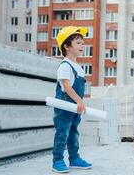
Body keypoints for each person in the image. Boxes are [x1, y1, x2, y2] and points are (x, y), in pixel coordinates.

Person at [52, 26, 92, 173]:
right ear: (67, 46)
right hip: (65, 106)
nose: (83, 45)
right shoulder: (65, 66)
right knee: (62, 133)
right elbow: (67, 87)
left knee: (74, 132)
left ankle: (74, 158)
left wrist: (80, 102)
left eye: (83, 42)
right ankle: (57, 160)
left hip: (75, 107)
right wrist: (79, 101)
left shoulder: (78, 67)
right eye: (78, 43)